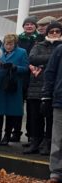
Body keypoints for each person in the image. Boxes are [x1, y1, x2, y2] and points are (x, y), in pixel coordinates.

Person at [27, 20, 61, 154]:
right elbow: (33, 58)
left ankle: (48, 143)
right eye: (51, 31)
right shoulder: (39, 45)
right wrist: (53, 58)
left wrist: (44, 61)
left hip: (54, 87)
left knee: (51, 118)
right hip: (37, 85)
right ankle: (35, 142)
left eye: (57, 31)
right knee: (36, 116)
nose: (54, 33)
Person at [0, 34, 29, 146]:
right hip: (0, 85)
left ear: (15, 44)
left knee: (10, 112)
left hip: (13, 85)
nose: (8, 46)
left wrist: (15, 67)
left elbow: (26, 69)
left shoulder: (22, 52)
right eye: (6, 44)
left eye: (11, 44)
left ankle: (7, 136)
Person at [42, 41, 62, 183]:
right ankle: (56, 172)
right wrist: (46, 96)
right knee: (58, 138)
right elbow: (50, 73)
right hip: (60, 99)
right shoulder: (60, 50)